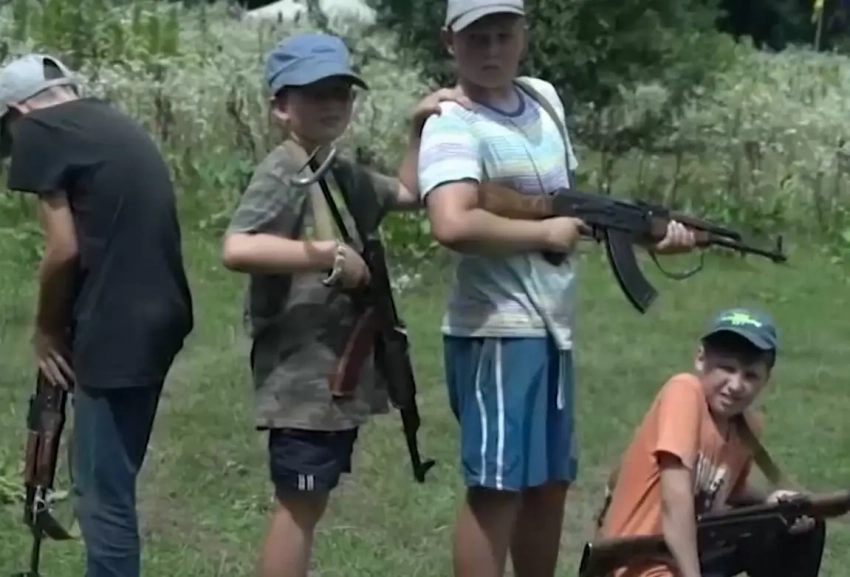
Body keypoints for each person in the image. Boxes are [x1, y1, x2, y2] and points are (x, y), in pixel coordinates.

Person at [415, 1, 699, 576]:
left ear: (523, 35)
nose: (491, 50)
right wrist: (543, 233)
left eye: (503, 35)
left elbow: (569, 204)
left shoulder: (543, 99)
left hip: (551, 325)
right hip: (496, 328)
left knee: (548, 483)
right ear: (450, 42)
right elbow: (451, 222)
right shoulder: (452, 122)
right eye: (476, 39)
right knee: (497, 489)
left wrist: (648, 237)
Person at [220, 33, 469, 577]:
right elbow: (237, 247)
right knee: (299, 506)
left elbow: (406, 193)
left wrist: (418, 130)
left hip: (331, 374)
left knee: (310, 503)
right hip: (301, 375)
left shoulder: (335, 167)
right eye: (315, 94)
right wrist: (327, 255)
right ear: (281, 107)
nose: (332, 104)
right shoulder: (284, 170)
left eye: (341, 92)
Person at [0, 54, 194, 577]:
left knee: (103, 496)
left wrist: (46, 329)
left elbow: (63, 249)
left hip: (116, 322)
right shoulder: (109, 120)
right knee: (111, 475)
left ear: (17, 111)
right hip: (158, 312)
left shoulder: (39, 130)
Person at [599, 308, 825, 577]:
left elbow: (727, 490)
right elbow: (675, 503)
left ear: (767, 379)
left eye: (750, 375)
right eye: (727, 368)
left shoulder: (746, 427)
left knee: (802, 526)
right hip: (639, 561)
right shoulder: (684, 393)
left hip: (689, 553)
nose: (736, 385)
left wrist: (771, 501)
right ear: (700, 359)